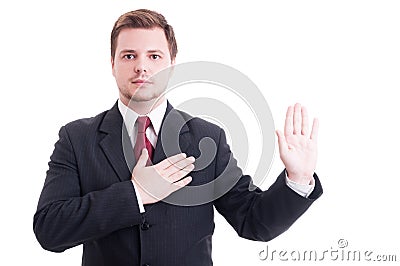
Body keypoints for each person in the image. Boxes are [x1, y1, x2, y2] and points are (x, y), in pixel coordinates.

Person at [33, 9, 323, 266]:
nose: (141, 67)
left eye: (154, 56)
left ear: (172, 63)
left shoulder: (206, 138)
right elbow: (50, 229)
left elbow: (254, 221)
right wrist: (136, 194)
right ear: (112, 64)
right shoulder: (76, 138)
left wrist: (297, 179)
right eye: (129, 55)